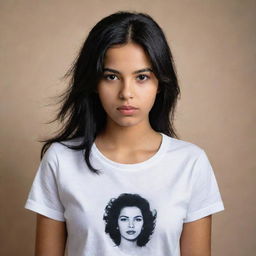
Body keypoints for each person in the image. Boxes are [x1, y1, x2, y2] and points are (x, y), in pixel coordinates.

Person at [24, 10, 225, 256]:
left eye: (141, 77)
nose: (126, 93)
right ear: (94, 83)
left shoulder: (190, 163)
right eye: (111, 76)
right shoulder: (60, 160)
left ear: (160, 82)